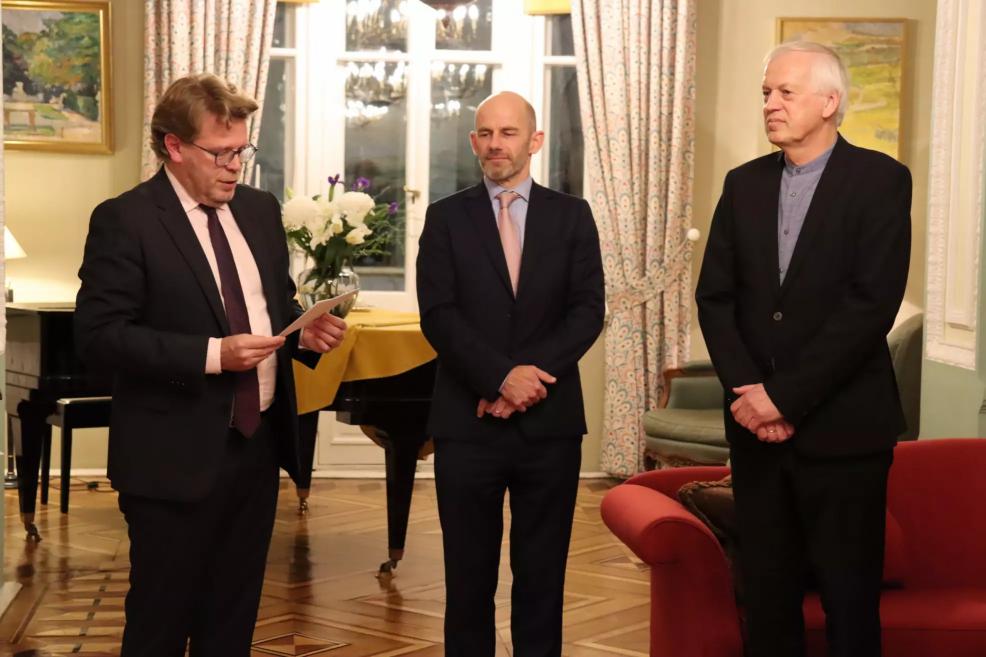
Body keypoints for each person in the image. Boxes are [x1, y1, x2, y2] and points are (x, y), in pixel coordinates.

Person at [74, 73, 346, 657]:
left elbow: (269, 307)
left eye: (242, 151)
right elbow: (99, 338)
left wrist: (303, 333)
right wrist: (212, 356)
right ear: (173, 146)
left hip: (256, 448)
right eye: (219, 153)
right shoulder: (126, 219)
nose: (234, 167)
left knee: (233, 619)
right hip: (171, 456)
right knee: (160, 623)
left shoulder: (259, 210)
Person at [696, 42, 912, 657]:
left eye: (785, 92)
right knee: (765, 598)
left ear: (829, 102)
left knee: (848, 600)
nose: (770, 103)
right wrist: (749, 394)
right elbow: (714, 298)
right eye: (766, 92)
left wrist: (783, 399)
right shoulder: (743, 185)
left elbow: (870, 307)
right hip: (754, 435)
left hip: (845, 436)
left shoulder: (881, 181)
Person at [416, 91, 604, 656]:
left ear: (535, 140)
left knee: (542, 577)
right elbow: (438, 315)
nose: (496, 144)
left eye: (509, 132)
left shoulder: (573, 216)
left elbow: (586, 311)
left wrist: (527, 381)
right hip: (467, 425)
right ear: (474, 142)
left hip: (549, 427)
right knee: (467, 581)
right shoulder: (445, 217)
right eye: (485, 134)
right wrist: (499, 378)